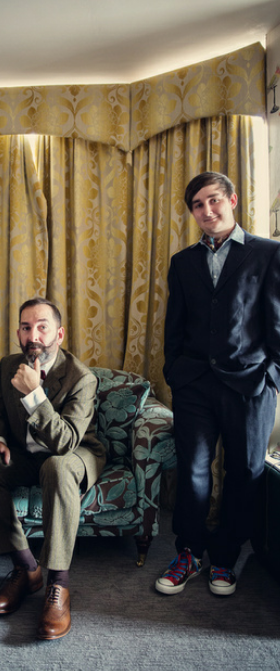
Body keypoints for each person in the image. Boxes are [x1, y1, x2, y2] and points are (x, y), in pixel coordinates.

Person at [155, 171, 280, 597]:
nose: (207, 211)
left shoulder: (268, 253)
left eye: (214, 200)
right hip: (194, 384)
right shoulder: (182, 262)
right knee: (192, 470)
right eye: (197, 205)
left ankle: (225, 556)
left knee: (244, 472)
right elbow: (174, 325)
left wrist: (272, 377)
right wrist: (175, 372)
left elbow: (277, 322)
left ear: (232, 200)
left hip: (250, 384)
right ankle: (188, 553)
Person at [0, 298, 106, 640]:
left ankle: (58, 584)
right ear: (18, 333)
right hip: (26, 456)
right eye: (26, 328)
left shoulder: (81, 378)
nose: (34, 336)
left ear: (59, 334)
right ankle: (27, 569)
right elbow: (0, 411)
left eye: (43, 327)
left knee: (57, 468)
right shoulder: (8, 365)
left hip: (73, 454)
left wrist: (35, 395)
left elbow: (65, 442)